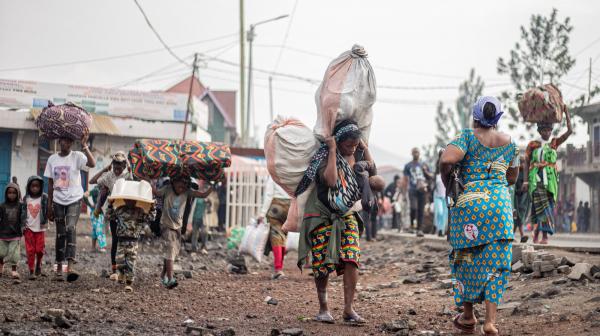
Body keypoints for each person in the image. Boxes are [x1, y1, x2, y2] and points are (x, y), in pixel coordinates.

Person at [440, 96, 519, 336]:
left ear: (476, 116)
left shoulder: (467, 136)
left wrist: (448, 182)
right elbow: (513, 178)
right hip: (500, 208)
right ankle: (490, 322)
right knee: (497, 264)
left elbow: (446, 159)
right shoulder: (511, 144)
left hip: (470, 207)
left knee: (465, 257)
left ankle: (467, 316)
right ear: (497, 118)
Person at [297, 120, 367, 325]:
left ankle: (348, 309)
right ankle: (323, 308)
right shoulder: (324, 157)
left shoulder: (357, 157)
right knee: (321, 262)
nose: (352, 148)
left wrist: (364, 150)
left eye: (356, 145)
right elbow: (331, 181)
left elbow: (373, 175)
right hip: (322, 215)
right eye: (348, 145)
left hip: (347, 215)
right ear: (339, 141)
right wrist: (333, 149)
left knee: (351, 257)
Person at [45, 134, 96, 282]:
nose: (65, 143)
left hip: (74, 199)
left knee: (70, 228)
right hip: (58, 201)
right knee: (60, 233)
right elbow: (49, 183)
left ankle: (71, 266)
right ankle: (59, 267)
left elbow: (92, 164)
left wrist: (85, 146)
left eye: (68, 141)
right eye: (63, 140)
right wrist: (49, 206)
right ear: (59, 140)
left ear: (72, 143)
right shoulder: (52, 159)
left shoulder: (77, 156)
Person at [149, 176, 213, 289]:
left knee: (172, 251)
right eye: (180, 185)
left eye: (184, 186)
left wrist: (213, 185)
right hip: (166, 224)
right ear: (173, 182)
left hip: (177, 227)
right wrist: (149, 180)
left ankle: (163, 275)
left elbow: (203, 195)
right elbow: (157, 193)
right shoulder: (167, 189)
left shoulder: (187, 192)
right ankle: (170, 279)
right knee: (170, 248)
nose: (182, 188)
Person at [524, 107, 572, 244]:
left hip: (550, 182)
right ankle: (542, 236)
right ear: (539, 131)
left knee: (548, 208)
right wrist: (526, 181)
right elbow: (527, 163)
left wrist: (567, 114)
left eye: (549, 130)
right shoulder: (532, 145)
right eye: (544, 130)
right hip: (537, 180)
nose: (547, 132)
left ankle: (539, 234)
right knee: (540, 208)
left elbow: (570, 132)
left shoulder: (554, 143)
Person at [90, 151, 130, 279]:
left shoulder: (127, 176)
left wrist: (128, 163)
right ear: (112, 165)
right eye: (115, 166)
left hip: (126, 212)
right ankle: (114, 269)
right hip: (114, 212)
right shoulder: (109, 176)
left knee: (126, 241)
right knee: (115, 240)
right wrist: (105, 169)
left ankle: (124, 269)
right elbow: (92, 181)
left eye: (120, 167)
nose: (117, 169)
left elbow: (135, 177)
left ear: (124, 166)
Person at [105, 191, 148, 292]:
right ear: (124, 199)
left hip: (133, 241)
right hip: (121, 240)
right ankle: (121, 274)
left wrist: (153, 208)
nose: (130, 202)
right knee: (119, 260)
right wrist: (110, 205)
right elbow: (109, 216)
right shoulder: (119, 210)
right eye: (128, 199)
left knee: (131, 262)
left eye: (132, 200)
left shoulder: (140, 211)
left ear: (136, 201)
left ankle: (129, 283)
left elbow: (150, 217)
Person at [258, 176, 291, 279]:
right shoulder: (290, 172)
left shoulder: (274, 173)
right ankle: (279, 267)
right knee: (283, 236)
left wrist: (262, 213)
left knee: (276, 237)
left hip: (277, 205)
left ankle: (278, 269)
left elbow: (269, 194)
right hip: (290, 206)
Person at [21, 176, 49, 280]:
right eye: (33, 186)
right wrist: (22, 226)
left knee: (40, 250)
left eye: (37, 186)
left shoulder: (44, 197)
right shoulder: (26, 198)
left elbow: (48, 210)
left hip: (40, 228)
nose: (35, 188)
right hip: (28, 228)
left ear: (41, 187)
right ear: (29, 187)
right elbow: (22, 213)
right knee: (30, 250)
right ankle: (31, 270)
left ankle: (39, 264)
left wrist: (48, 219)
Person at [404, 147, 432, 237]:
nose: (416, 154)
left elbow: (431, 176)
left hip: (422, 190)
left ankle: (419, 229)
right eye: (414, 152)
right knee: (413, 208)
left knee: (421, 210)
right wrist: (405, 190)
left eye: (417, 152)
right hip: (412, 189)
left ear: (420, 154)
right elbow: (405, 179)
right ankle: (412, 225)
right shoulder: (408, 165)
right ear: (411, 154)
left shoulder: (424, 164)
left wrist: (425, 171)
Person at [0, 183, 23, 280]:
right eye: (9, 193)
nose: (12, 195)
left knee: (14, 254)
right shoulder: (2, 206)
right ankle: (1, 267)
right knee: (1, 253)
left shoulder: (20, 206)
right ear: (6, 194)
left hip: (15, 234)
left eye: (14, 193)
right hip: (3, 233)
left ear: (17, 193)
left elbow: (23, 218)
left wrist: (23, 228)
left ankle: (14, 270)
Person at [83, 186, 107, 253]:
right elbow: (84, 195)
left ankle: (93, 247)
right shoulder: (96, 190)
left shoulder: (103, 189)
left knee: (95, 229)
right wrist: (90, 205)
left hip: (97, 212)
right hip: (97, 212)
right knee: (99, 229)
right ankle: (102, 246)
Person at [512, 156, 530, 243]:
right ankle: (517, 235)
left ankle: (518, 235)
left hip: (523, 200)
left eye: (523, 163)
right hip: (515, 198)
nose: (522, 165)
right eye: (521, 163)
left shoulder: (526, 174)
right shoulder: (515, 172)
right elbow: (513, 184)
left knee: (521, 218)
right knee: (515, 218)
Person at [191, 181, 209, 254]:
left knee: (204, 233)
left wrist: (208, 202)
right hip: (195, 218)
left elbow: (210, 208)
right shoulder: (195, 198)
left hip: (203, 219)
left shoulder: (206, 199)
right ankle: (194, 248)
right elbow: (192, 209)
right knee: (195, 233)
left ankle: (203, 247)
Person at [433, 150, 448, 237]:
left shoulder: (448, 171)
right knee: (440, 212)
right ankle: (439, 228)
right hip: (437, 195)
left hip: (445, 195)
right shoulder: (436, 174)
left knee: (445, 214)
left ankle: (441, 230)